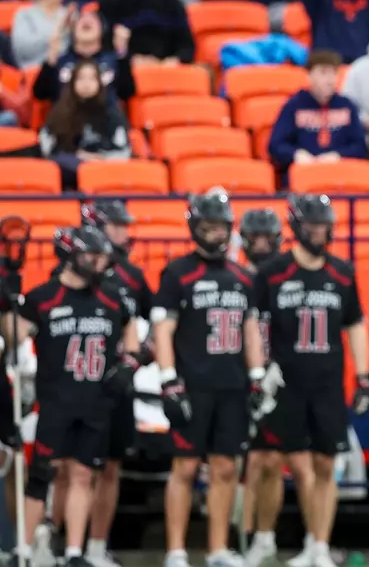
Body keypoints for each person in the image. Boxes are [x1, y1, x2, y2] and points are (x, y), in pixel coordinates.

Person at [8, 224, 140, 567]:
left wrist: (128, 364)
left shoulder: (112, 296)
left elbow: (133, 334)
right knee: (42, 475)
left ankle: (74, 552)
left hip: (97, 401)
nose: (98, 262)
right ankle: (23, 549)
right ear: (70, 255)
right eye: (90, 255)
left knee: (84, 474)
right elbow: (14, 340)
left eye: (101, 256)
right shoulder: (43, 298)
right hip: (55, 401)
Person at [250, 195, 369, 567]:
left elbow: (355, 324)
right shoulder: (272, 272)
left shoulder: (342, 272)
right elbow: (254, 322)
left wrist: (365, 377)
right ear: (297, 227)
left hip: (327, 385)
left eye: (324, 226)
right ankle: (264, 538)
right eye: (312, 226)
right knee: (271, 461)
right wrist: (257, 371)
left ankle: (318, 546)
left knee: (323, 464)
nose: (319, 233)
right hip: (284, 384)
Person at [153, 191, 272, 567]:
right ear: (194, 228)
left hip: (233, 386)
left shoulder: (242, 277)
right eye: (207, 227)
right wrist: (168, 378)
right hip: (192, 384)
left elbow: (251, 330)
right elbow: (163, 330)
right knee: (185, 467)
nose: (215, 235)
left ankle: (218, 549)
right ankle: (176, 550)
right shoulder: (176, 273)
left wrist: (256, 376)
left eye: (220, 227)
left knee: (225, 468)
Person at [78, 201, 154, 567]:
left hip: (117, 382)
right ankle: (58, 544)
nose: (126, 231)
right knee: (71, 469)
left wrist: (139, 356)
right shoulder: (75, 272)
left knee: (110, 467)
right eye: (118, 225)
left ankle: (95, 547)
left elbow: (154, 321)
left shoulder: (132, 276)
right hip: (76, 383)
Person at [235, 208, 285, 567]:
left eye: (269, 239)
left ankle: (261, 538)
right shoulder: (233, 278)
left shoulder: (284, 278)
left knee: (271, 460)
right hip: (233, 377)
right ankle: (238, 538)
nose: (263, 246)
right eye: (257, 238)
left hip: (274, 379)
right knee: (235, 465)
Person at [268, 50, 369, 178]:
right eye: (323, 73)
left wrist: (338, 155)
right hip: (304, 172)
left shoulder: (346, 105)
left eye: (334, 73)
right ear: (309, 76)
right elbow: (276, 145)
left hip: (340, 171)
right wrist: (296, 154)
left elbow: (360, 146)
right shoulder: (294, 106)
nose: (330, 79)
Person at [38, 58, 132, 190]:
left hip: (104, 171)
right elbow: (48, 149)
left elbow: (123, 151)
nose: (86, 84)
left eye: (92, 78)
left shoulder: (113, 114)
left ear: (99, 82)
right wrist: (77, 156)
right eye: (81, 78)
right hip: (68, 174)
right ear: (73, 83)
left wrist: (98, 159)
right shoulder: (58, 113)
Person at [33, 6, 135, 105]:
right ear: (73, 30)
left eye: (93, 19)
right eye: (81, 19)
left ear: (102, 30)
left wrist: (122, 53)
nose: (86, 20)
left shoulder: (114, 60)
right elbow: (40, 94)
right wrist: (50, 60)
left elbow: (127, 93)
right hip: (66, 119)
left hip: (104, 119)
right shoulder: (60, 61)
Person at [10, 0, 69, 68]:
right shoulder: (25, 15)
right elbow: (22, 49)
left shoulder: (70, 15)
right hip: (32, 75)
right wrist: (60, 31)